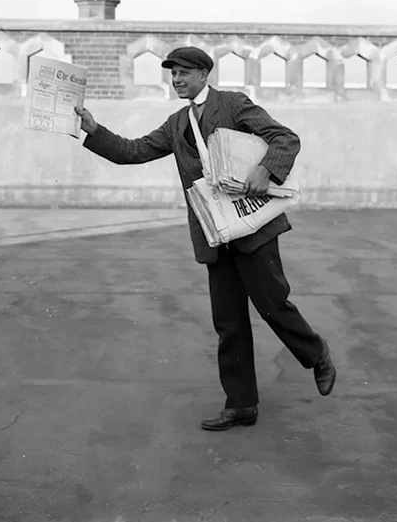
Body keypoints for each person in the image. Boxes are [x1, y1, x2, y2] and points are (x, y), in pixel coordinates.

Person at [75, 46, 336, 431]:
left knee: (272, 305)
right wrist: (93, 130)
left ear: (203, 74)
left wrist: (266, 170)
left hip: (252, 228)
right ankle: (241, 404)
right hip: (214, 234)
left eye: (183, 73)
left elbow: (285, 139)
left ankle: (317, 356)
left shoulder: (232, 104)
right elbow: (133, 151)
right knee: (228, 322)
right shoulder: (176, 123)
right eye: (172, 74)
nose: (176, 80)